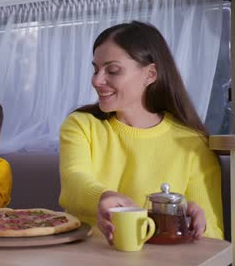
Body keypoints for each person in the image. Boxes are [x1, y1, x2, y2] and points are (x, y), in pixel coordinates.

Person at [58, 21, 224, 245]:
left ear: (150, 74)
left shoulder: (191, 143)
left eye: (113, 70)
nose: (97, 80)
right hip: (87, 259)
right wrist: (103, 198)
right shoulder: (81, 125)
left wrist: (194, 225)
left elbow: (214, 235)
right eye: (95, 69)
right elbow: (74, 182)